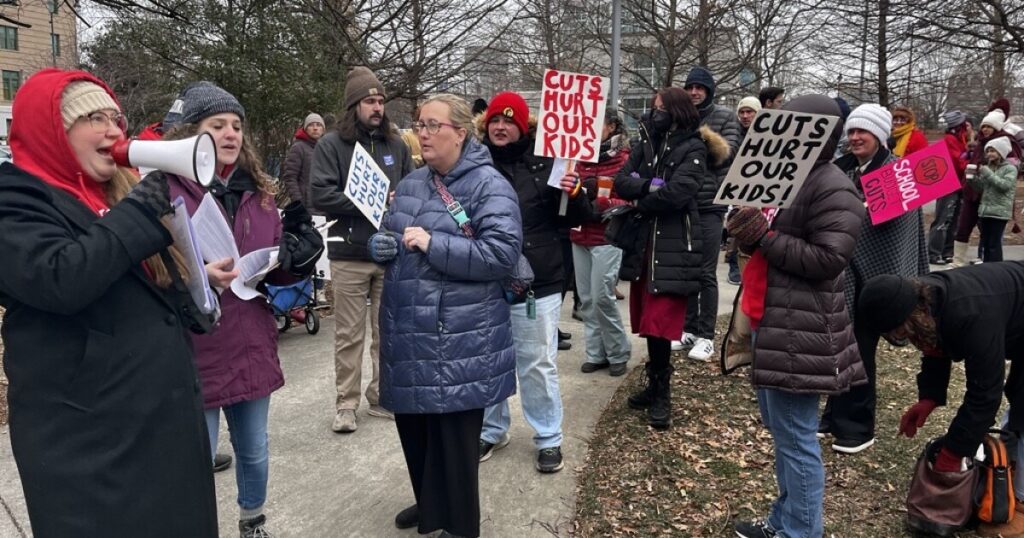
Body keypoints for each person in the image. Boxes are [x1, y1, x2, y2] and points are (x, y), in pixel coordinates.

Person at [0, 68, 218, 536]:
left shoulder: (109, 193)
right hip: (93, 453)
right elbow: (59, 277)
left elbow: (134, 283)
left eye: (115, 118)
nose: (113, 131)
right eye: (92, 118)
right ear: (52, 131)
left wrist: (196, 288)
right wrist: (139, 210)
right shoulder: (16, 199)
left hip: (159, 432)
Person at [161, 81, 322, 538]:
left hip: (251, 339)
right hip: (196, 347)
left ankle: (252, 521)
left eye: (236, 125)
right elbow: (145, 268)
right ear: (191, 132)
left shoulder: (264, 194)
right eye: (218, 125)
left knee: (254, 449)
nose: (231, 134)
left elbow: (274, 272)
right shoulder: (163, 189)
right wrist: (193, 275)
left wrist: (294, 260)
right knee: (195, 457)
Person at [368, 93, 520, 538]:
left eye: (433, 125)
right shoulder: (413, 182)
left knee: (453, 440)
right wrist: (385, 245)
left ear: (460, 132)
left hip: (458, 335)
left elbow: (500, 254)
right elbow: (397, 235)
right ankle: (430, 502)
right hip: (408, 329)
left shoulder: (489, 185)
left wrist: (434, 244)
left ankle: (458, 522)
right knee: (415, 429)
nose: (423, 133)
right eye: (419, 124)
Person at [728, 94, 866, 538]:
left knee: (795, 438)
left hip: (800, 330)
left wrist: (764, 237)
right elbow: (765, 238)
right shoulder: (782, 173)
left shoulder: (831, 185)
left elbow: (829, 259)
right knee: (783, 432)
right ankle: (785, 522)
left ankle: (802, 532)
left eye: (791, 122)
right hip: (772, 319)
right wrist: (745, 231)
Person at [856, 264, 1024, 536]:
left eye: (905, 333)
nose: (908, 340)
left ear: (913, 315)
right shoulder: (926, 299)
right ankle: (1006, 477)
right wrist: (929, 398)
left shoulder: (971, 312)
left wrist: (954, 452)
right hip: (1012, 314)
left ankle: (1022, 504)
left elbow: (985, 394)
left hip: (1009, 309)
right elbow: (934, 345)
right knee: (1018, 397)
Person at [475, 91, 589, 473]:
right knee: (489, 359)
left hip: (538, 277)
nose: (501, 127)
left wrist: (573, 191)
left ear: (523, 127)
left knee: (536, 362)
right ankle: (492, 430)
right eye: (495, 121)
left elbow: (576, 216)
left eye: (509, 121)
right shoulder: (473, 163)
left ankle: (548, 437)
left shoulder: (551, 162)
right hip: (486, 277)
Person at [818, 103, 929, 455]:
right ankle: (835, 414)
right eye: (851, 131)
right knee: (839, 347)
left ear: (879, 135)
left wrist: (855, 214)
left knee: (860, 351)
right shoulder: (842, 168)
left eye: (861, 132)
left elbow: (896, 229)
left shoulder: (898, 173)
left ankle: (857, 426)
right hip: (841, 273)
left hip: (876, 277)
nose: (854, 138)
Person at [616, 87, 728, 430]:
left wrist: (642, 193)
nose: (655, 113)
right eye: (653, 108)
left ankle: (662, 391)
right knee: (649, 320)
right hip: (645, 242)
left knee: (662, 321)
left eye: (660, 108)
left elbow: (680, 193)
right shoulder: (647, 142)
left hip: (674, 242)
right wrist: (652, 187)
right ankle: (653, 384)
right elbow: (622, 182)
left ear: (677, 111)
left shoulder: (693, 147)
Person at [310, 66, 414, 433]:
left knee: (387, 332)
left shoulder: (397, 145)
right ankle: (346, 404)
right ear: (354, 105)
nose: (378, 107)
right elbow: (319, 194)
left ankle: (382, 395)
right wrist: (365, 201)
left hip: (390, 255)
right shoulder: (331, 145)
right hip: (349, 255)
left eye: (381, 100)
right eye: (370, 101)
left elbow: (411, 192)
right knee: (349, 335)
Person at [677, 66, 742, 361]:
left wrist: (698, 139)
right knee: (687, 271)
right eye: (690, 87)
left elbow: (726, 154)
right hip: (681, 203)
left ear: (709, 91)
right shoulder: (680, 117)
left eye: (700, 88)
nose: (694, 93)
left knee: (706, 273)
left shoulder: (725, 117)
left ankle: (706, 336)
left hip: (709, 206)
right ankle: (688, 328)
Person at [570, 113, 633, 377]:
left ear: (612, 126)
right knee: (586, 300)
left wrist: (604, 203)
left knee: (601, 297)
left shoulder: (624, 159)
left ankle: (618, 352)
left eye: (598, 124)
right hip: (579, 234)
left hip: (607, 236)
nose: (592, 129)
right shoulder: (576, 157)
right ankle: (596, 353)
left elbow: (631, 202)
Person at [954, 99, 1022, 266]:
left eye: (988, 126)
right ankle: (958, 262)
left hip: (996, 201)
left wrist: (985, 171)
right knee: (965, 227)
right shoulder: (979, 144)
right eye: (983, 126)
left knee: (991, 238)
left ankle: (992, 266)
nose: (985, 129)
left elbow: (1006, 180)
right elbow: (979, 175)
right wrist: (970, 178)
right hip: (976, 195)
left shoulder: (1007, 145)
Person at [724, 96, 762, 285]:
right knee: (738, 224)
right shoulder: (733, 135)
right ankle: (733, 265)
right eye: (742, 112)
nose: (746, 116)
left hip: (761, 187)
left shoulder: (767, 135)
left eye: (750, 112)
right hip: (737, 186)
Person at [927, 110, 971, 265]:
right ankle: (933, 253)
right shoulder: (951, 139)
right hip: (948, 183)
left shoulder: (960, 139)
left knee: (954, 220)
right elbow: (959, 162)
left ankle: (947, 251)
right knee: (943, 219)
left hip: (957, 184)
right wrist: (970, 162)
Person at [968, 137, 1017, 262]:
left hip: (999, 212)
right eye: (988, 151)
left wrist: (987, 173)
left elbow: (1004, 186)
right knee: (985, 242)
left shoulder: (1010, 169)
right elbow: (982, 188)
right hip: (985, 211)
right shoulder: (988, 168)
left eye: (993, 151)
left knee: (994, 244)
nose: (989, 154)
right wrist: (971, 179)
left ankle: (996, 269)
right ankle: (987, 267)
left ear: (1001, 153)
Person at [280, 112, 325, 210]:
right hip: (306, 206)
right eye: (311, 125)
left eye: (318, 125)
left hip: (323, 205)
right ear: (305, 128)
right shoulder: (298, 147)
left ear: (323, 129)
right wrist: (298, 202)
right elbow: (290, 177)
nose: (315, 128)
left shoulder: (326, 149)